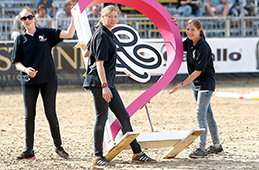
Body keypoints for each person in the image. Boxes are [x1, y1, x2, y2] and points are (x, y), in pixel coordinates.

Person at [83, 5, 157, 166]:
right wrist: (104, 86)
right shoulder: (102, 35)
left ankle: (137, 152)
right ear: (102, 17)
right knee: (101, 118)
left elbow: (86, 53)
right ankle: (97, 156)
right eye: (110, 16)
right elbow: (100, 64)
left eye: (115, 17)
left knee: (123, 116)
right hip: (101, 83)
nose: (113, 19)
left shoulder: (104, 33)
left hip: (107, 83)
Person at [11, 5, 75, 160]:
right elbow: (16, 62)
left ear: (35, 18)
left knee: (50, 113)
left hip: (48, 80)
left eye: (29, 17)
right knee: (29, 115)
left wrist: (74, 17)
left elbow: (69, 33)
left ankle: (59, 147)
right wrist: (26, 70)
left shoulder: (46, 33)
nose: (27, 20)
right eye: (23, 18)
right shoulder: (20, 39)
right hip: (29, 81)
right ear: (21, 21)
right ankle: (29, 150)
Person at [169, 19, 223, 158]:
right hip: (196, 84)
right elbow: (176, 45)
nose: (189, 32)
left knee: (200, 114)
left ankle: (202, 148)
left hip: (206, 84)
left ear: (199, 30)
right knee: (207, 114)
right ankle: (216, 145)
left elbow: (198, 71)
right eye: (187, 29)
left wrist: (181, 84)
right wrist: (172, 26)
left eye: (192, 29)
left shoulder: (203, 46)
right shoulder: (189, 42)